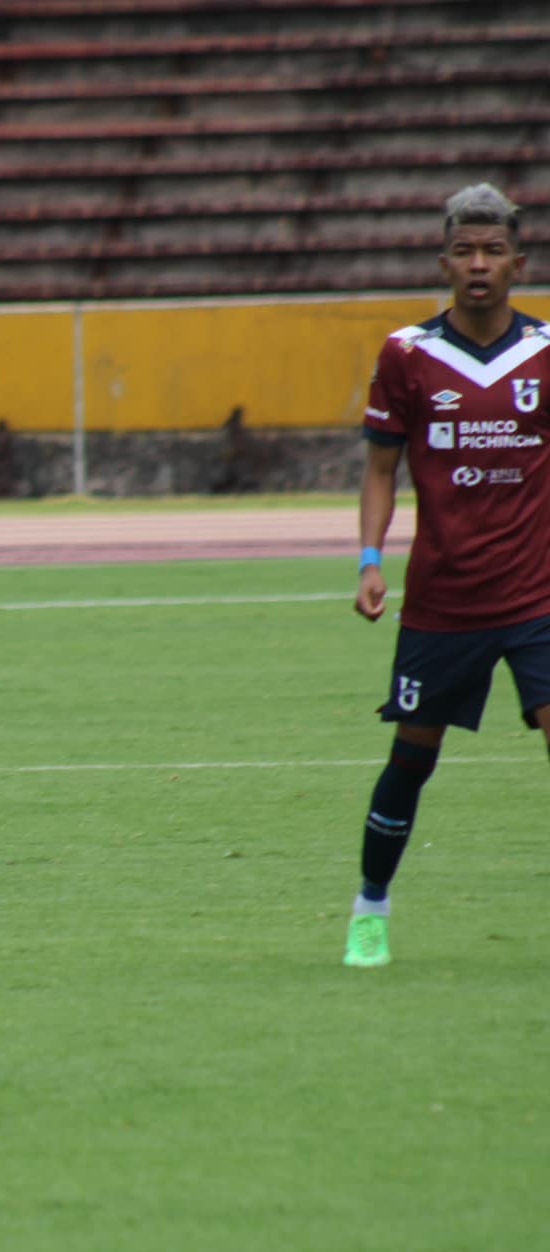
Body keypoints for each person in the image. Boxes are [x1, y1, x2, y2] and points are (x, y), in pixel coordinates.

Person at [348, 183, 550, 968]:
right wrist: (370, 559)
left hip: (536, 596)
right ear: (444, 261)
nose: (477, 265)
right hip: (442, 602)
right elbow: (378, 469)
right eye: (464, 251)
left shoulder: (545, 352)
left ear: (517, 263)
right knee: (413, 756)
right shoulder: (406, 355)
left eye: (492, 252)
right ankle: (371, 906)